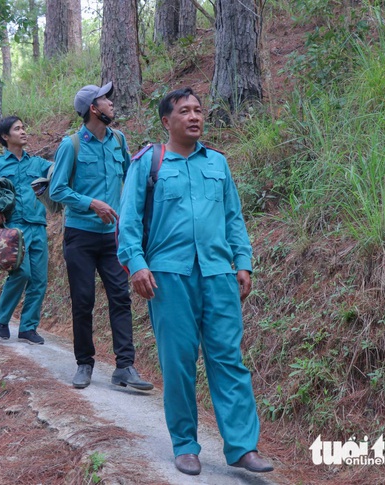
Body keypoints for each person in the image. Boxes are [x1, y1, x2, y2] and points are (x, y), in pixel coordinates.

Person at [117, 88, 274, 476]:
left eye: (198, 110)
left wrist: (244, 262)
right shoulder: (148, 163)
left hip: (219, 275)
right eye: (184, 111)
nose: (194, 117)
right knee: (179, 363)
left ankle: (242, 447)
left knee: (228, 360)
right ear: (166, 121)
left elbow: (233, 218)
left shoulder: (218, 164)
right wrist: (137, 265)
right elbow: (129, 221)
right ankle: (185, 445)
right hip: (169, 278)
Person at [49, 82, 152, 391]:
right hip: (80, 235)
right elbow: (57, 190)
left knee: (120, 297)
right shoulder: (72, 145)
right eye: (106, 99)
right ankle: (84, 363)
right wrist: (91, 203)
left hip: (114, 237)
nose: (111, 104)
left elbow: (130, 181)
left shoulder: (119, 140)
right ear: (93, 109)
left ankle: (125, 367)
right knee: (83, 300)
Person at [0, 116, 52, 345]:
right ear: (5, 137)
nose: (24, 132)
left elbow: (61, 171)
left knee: (39, 280)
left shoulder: (38, 164)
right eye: (17, 129)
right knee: (21, 273)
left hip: (38, 225)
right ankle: (2, 316)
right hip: (14, 229)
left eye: (24, 127)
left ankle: (28, 328)